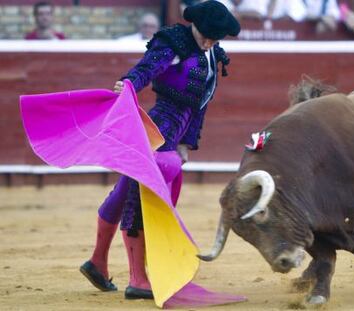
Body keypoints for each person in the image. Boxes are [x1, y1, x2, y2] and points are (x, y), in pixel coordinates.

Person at [80, 0, 240, 300]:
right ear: (195, 25)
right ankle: (138, 279)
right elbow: (148, 68)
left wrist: (185, 142)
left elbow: (200, 105)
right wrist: (129, 82)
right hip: (157, 128)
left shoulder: (213, 55)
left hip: (174, 132)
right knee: (140, 196)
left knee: (126, 190)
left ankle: (98, 262)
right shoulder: (174, 42)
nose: (208, 41)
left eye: (214, 38)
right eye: (206, 35)